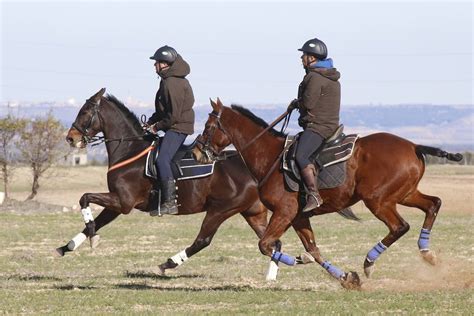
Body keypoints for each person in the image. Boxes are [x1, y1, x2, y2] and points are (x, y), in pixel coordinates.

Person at [288, 37, 341, 212]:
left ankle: (313, 194)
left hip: (319, 127)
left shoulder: (314, 77)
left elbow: (309, 103)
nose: (301, 58)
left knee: (301, 156)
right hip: (328, 125)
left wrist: (297, 103)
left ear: (312, 58)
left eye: (304, 55)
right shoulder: (330, 76)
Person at [146, 45, 195, 215]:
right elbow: (163, 111)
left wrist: (157, 126)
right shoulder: (168, 80)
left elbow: (172, 116)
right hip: (173, 125)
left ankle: (170, 202)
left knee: (162, 160)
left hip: (178, 127)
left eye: (157, 62)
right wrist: (150, 122)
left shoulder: (172, 83)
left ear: (165, 64)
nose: (155, 66)